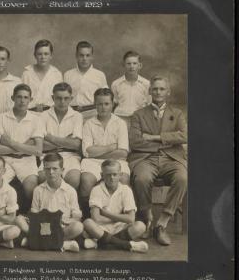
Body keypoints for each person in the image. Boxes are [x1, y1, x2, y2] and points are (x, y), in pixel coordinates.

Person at [129, 76, 187, 246]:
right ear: (149, 91)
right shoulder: (138, 114)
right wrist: (167, 142)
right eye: (155, 89)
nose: (158, 92)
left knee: (183, 178)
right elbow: (135, 141)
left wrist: (156, 138)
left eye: (162, 89)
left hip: (172, 158)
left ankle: (162, 223)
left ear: (168, 92)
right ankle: (147, 219)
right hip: (145, 158)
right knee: (142, 178)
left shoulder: (177, 114)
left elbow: (184, 136)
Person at [0, 84, 44, 211]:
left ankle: (30, 219)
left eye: (26, 97)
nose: (22, 100)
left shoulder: (36, 119)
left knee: (30, 187)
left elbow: (38, 150)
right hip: (5, 160)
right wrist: (25, 146)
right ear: (12, 98)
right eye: (19, 97)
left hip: (27, 161)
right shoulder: (1, 117)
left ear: (31, 100)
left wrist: (10, 142)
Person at [15, 153, 84, 252]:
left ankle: (34, 241)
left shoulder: (70, 191)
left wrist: (65, 221)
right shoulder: (38, 190)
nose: (51, 172)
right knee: (18, 219)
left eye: (55, 169)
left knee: (78, 227)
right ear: (43, 170)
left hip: (61, 226)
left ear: (62, 170)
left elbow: (76, 215)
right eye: (47, 169)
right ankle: (63, 244)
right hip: (43, 226)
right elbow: (34, 213)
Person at [80, 88, 130, 217]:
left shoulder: (120, 123)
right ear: (95, 104)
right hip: (92, 162)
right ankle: (88, 217)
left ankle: (119, 217)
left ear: (112, 104)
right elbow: (87, 152)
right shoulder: (88, 124)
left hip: (116, 162)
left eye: (106, 104)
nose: (103, 107)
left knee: (123, 179)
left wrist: (97, 150)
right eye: (100, 104)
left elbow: (123, 153)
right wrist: (111, 147)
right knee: (86, 180)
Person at [83, 160, 148, 253]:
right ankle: (126, 245)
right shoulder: (96, 190)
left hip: (119, 227)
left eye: (115, 174)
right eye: (108, 175)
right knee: (87, 223)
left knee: (141, 226)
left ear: (120, 174)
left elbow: (131, 219)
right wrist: (120, 218)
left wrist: (107, 214)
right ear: (102, 175)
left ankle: (100, 242)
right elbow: (96, 218)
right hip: (101, 228)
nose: (112, 178)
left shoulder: (126, 190)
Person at [39, 82, 83, 190]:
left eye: (66, 98)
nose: (62, 102)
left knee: (74, 179)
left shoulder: (77, 116)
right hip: (47, 155)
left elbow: (76, 145)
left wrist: (50, 138)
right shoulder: (42, 116)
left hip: (70, 156)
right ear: (53, 98)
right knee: (42, 178)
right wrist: (66, 142)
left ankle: (69, 206)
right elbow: (41, 145)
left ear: (71, 98)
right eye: (58, 98)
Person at [64, 41, 108, 120]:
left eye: (88, 55)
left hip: (92, 113)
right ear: (76, 56)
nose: (84, 59)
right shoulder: (68, 75)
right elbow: (64, 96)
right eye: (81, 55)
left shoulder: (99, 75)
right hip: (72, 114)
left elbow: (105, 98)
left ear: (92, 57)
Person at [111, 51, 150, 129]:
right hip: (120, 118)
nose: (131, 66)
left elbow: (148, 105)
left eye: (134, 63)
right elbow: (113, 104)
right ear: (123, 65)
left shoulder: (146, 84)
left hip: (139, 120)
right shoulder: (116, 84)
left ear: (140, 65)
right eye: (128, 64)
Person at [21, 39, 63, 112]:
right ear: (35, 55)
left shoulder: (57, 74)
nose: (43, 57)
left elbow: (60, 97)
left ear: (51, 56)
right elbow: (22, 96)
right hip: (31, 113)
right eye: (39, 54)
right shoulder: (27, 73)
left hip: (51, 114)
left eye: (46, 54)